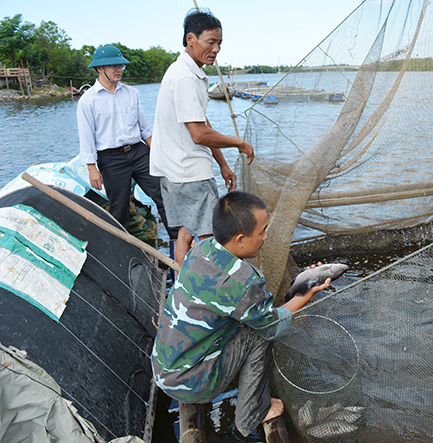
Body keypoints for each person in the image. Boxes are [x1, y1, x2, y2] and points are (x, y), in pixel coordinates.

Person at [151, 191, 330, 436]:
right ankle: (252, 413)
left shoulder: (201, 249)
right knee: (259, 333)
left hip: (164, 370)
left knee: (252, 321)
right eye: (262, 231)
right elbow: (273, 326)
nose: (266, 237)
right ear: (240, 239)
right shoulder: (244, 283)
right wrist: (304, 296)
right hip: (191, 385)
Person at [150, 9, 255, 265]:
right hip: (188, 172)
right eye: (211, 42)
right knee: (212, 237)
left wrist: (222, 163)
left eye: (219, 43)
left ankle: (180, 288)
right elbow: (198, 135)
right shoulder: (185, 77)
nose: (216, 49)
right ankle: (205, 294)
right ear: (190, 40)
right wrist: (239, 143)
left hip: (174, 169)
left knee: (185, 232)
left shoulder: (191, 72)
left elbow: (202, 123)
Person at [77, 45, 175, 238]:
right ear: (99, 69)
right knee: (119, 209)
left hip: (139, 152)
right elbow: (86, 136)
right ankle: (123, 253)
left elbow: (144, 128)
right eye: (113, 66)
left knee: (165, 196)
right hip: (111, 159)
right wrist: (91, 168)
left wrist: (159, 154)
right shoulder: (88, 101)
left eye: (121, 65)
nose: (119, 70)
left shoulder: (132, 93)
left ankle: (177, 242)